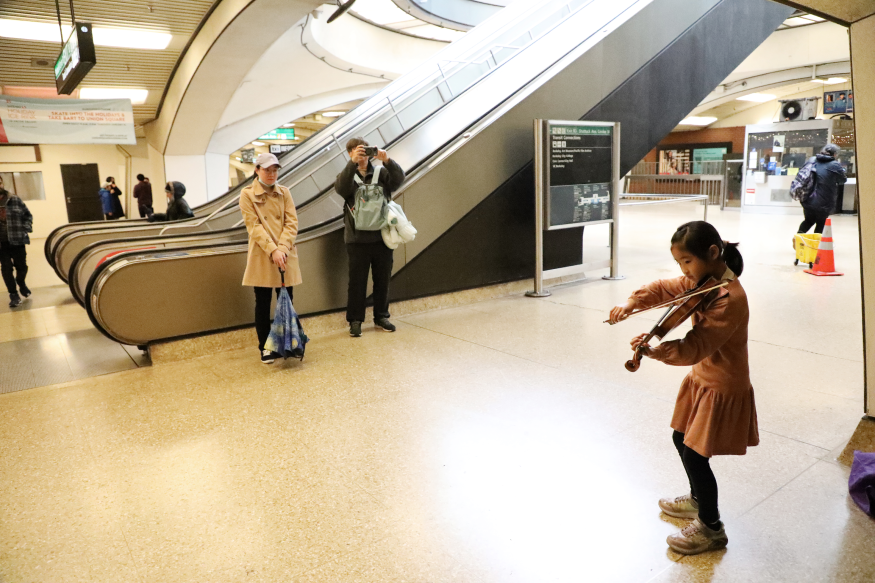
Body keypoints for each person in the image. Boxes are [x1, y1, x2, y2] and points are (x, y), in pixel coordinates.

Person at [609, 221, 758, 556]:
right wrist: (633, 303)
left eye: (687, 261)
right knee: (680, 437)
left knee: (695, 452)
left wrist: (655, 351)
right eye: (679, 263)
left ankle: (711, 527)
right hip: (702, 377)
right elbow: (665, 288)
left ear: (714, 253)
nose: (683, 271)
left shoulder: (729, 297)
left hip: (722, 382)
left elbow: (696, 345)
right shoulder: (703, 282)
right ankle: (696, 498)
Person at [335, 137, 405, 337]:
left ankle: (381, 316)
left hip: (382, 236)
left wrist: (388, 161)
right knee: (356, 282)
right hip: (357, 240)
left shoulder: (381, 173)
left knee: (383, 279)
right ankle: (355, 320)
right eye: (358, 152)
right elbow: (340, 189)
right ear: (350, 153)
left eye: (365, 151)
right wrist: (353, 164)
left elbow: (399, 180)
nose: (363, 155)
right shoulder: (346, 175)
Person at [239, 153, 302, 363]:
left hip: (285, 254)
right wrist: (273, 249)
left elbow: (292, 222)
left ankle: (288, 342)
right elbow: (254, 226)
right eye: (267, 170)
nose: (272, 174)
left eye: (275, 170)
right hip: (263, 254)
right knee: (263, 302)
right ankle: (265, 347)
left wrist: (282, 248)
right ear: (257, 170)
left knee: (286, 300)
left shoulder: (285, 192)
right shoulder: (247, 194)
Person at [798, 144, 847, 234]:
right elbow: (842, 180)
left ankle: (799, 240)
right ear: (835, 154)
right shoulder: (835, 165)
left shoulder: (811, 160)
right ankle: (816, 244)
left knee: (808, 220)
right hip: (824, 201)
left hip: (807, 197)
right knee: (821, 223)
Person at [0, 177, 33, 308]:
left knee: (22, 267)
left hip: (17, 240)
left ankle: (21, 283)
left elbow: (27, 216)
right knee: (6, 268)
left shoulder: (14, 199)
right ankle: (13, 294)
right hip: (1, 244)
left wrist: (25, 230)